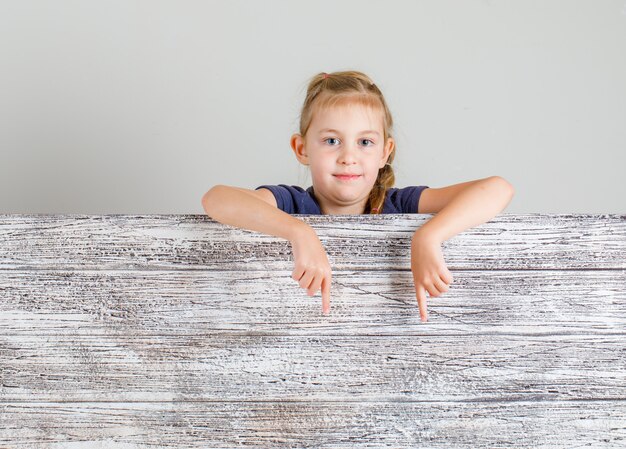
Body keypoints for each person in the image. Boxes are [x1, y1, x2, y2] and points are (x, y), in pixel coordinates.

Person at [202, 70, 515, 321]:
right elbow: (216, 199)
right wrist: (298, 232)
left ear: (384, 152)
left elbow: (499, 188)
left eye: (364, 143)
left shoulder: (399, 205)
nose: (348, 157)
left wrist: (429, 236)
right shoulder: (293, 204)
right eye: (331, 141)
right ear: (302, 149)